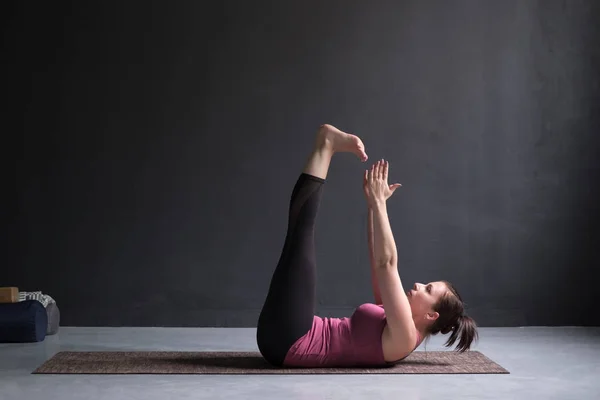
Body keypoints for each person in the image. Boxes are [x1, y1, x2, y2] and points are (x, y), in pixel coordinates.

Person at [256, 124, 478, 368]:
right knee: (298, 236)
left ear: (431, 316)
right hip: (293, 331)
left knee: (300, 233)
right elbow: (377, 261)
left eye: (428, 290)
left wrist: (380, 204)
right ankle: (326, 145)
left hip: (290, 342)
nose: (418, 284)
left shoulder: (404, 336)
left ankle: (326, 144)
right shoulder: (396, 315)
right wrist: (374, 206)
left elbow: (387, 264)